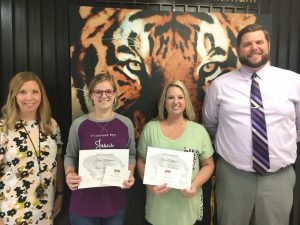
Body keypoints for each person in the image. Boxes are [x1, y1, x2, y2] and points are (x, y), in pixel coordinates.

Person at [203, 23, 300, 225]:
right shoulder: (220, 85)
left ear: (268, 45)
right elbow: (210, 125)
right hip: (233, 177)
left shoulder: (294, 82)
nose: (254, 47)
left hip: (278, 179)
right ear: (238, 50)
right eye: (247, 44)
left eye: (259, 42)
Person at [137, 80, 214, 225]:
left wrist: (195, 185)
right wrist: (150, 186)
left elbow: (208, 164)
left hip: (187, 204)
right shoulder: (150, 128)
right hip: (158, 205)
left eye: (180, 97)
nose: (175, 102)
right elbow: (141, 160)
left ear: (186, 101)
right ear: (164, 102)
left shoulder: (199, 131)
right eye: (171, 97)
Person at [64, 73, 136, 225]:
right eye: (98, 92)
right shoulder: (78, 124)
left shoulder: (126, 123)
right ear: (91, 95)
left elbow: (131, 155)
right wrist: (69, 173)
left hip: (115, 204)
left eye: (108, 91)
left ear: (114, 94)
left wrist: (129, 173)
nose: (104, 95)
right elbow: (70, 156)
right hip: (83, 205)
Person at [0, 72, 64, 225]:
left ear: (41, 95)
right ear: (14, 95)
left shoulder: (51, 125)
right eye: (22, 92)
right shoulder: (3, 129)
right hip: (11, 212)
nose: (30, 97)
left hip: (45, 209)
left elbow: (58, 160)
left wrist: (60, 195)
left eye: (35, 91)